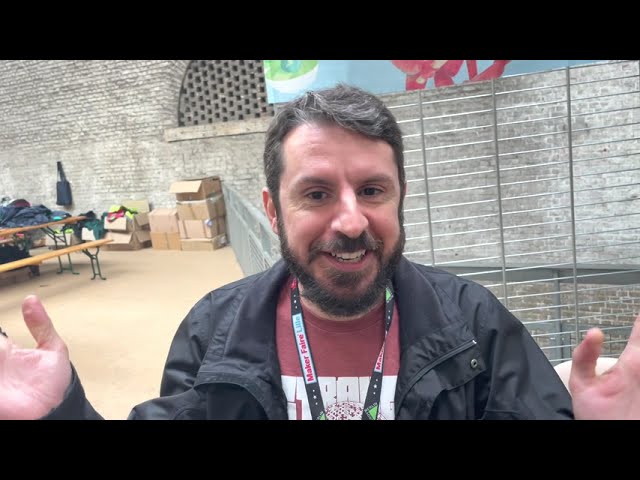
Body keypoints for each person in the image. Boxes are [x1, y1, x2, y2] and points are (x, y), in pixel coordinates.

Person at [1, 84, 639, 420]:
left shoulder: (474, 323)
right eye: (316, 193)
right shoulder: (214, 329)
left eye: (372, 191)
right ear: (273, 209)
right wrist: (61, 413)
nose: (352, 221)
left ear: (400, 197)